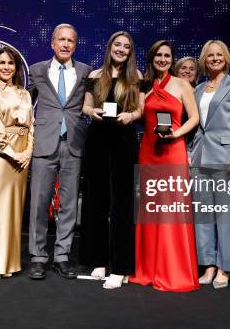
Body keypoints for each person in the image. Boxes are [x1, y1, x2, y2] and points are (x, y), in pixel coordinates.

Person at [130, 40, 200, 292]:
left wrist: (176, 133)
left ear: (172, 59)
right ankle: (148, 268)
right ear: (152, 58)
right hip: (149, 152)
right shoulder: (145, 86)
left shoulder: (182, 84)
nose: (162, 59)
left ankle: (173, 271)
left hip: (173, 151)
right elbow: (138, 113)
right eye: (158, 55)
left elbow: (194, 118)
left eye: (167, 55)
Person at [27, 24, 92, 280]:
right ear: (52, 43)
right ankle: (38, 256)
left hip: (73, 142)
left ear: (76, 45)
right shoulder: (37, 70)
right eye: (61, 40)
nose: (66, 44)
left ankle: (62, 255)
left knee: (69, 205)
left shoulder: (87, 71)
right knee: (39, 204)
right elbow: (22, 101)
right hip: (44, 142)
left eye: (71, 41)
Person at [80, 31, 143, 289]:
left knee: (121, 203)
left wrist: (132, 116)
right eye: (117, 45)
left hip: (124, 140)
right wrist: (91, 111)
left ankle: (120, 266)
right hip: (97, 139)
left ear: (130, 52)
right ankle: (98, 260)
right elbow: (84, 106)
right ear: (109, 47)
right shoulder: (95, 75)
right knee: (96, 200)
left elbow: (141, 109)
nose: (121, 49)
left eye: (126, 46)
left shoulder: (136, 77)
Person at [189, 39, 230, 289]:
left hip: (226, 158)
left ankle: (225, 267)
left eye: (219, 55)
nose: (214, 58)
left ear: (226, 57)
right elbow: (196, 125)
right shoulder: (199, 89)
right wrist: (191, 152)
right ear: (204, 59)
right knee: (203, 216)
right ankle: (209, 265)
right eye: (210, 55)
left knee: (225, 216)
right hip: (201, 158)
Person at [0, 47, 34, 279]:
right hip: (2, 153)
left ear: (16, 67)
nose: (6, 67)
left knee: (15, 207)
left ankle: (9, 262)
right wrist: (13, 153)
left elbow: (31, 125)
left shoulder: (24, 93)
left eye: (10, 63)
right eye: (1, 63)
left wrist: (28, 152)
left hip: (23, 151)